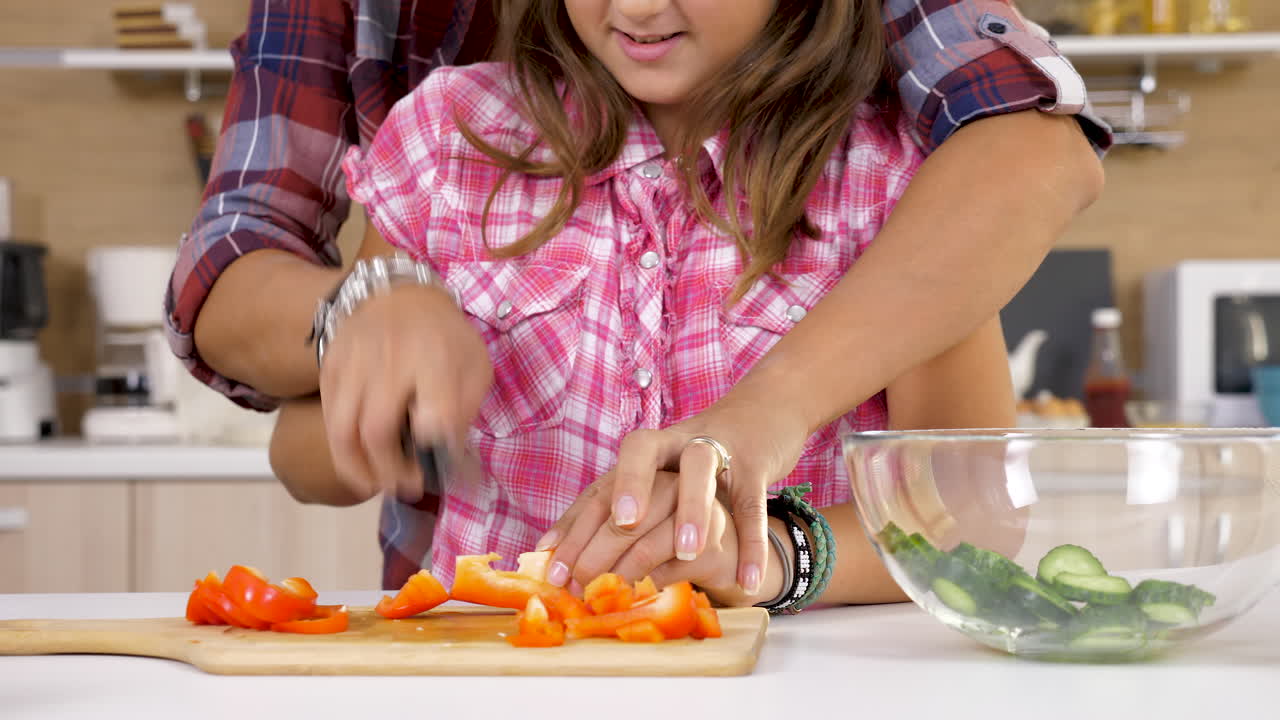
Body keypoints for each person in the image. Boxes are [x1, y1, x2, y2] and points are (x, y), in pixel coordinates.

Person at [166, 0, 1109, 593]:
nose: (639, 7)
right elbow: (306, 453)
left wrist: (774, 555)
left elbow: (974, 509)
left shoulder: (898, 183)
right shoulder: (449, 140)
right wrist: (373, 401)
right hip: (491, 680)